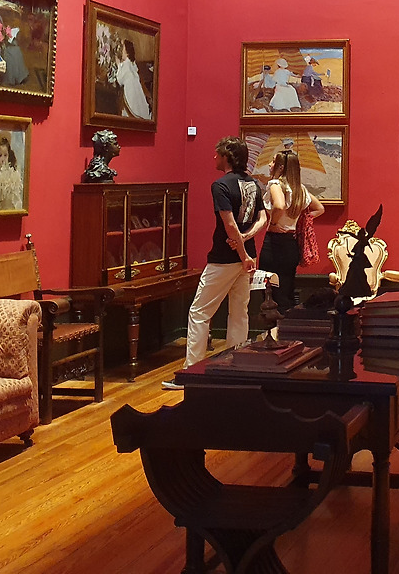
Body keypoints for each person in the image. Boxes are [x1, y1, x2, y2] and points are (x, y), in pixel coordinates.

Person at [163, 137, 266, 390]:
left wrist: (241, 251)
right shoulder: (254, 183)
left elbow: (229, 224)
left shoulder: (220, 185)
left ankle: (192, 372)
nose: (214, 158)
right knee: (239, 312)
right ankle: (235, 367)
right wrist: (247, 244)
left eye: (218, 154)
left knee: (199, 312)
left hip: (225, 258)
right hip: (248, 257)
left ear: (227, 157)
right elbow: (263, 218)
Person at [260, 150, 324, 312]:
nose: (270, 165)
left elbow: (279, 205)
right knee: (286, 288)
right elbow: (319, 208)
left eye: (273, 161)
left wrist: (273, 222)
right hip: (291, 244)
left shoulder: (275, 185)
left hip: (274, 243)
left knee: (271, 290)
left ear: (281, 167)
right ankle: (287, 322)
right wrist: (301, 220)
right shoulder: (299, 189)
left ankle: (274, 325)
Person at [117, 39, 152, 119]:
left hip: (131, 92)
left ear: (127, 52)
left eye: (123, 49)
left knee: (134, 107)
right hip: (137, 90)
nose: (122, 51)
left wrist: (118, 65)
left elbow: (120, 80)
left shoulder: (126, 65)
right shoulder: (132, 64)